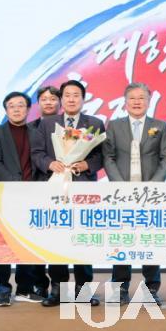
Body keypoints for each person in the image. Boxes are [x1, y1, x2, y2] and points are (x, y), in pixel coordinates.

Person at [31, 79, 105, 307]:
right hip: (55, 187)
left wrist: (87, 164)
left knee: (82, 238)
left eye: (76, 95)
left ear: (83, 99)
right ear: (61, 100)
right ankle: (58, 289)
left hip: (83, 188)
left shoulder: (94, 124)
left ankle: (84, 290)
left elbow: (101, 155)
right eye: (67, 95)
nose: (71, 99)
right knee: (56, 238)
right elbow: (37, 153)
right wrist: (50, 163)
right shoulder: (47, 124)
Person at [103, 82, 166, 306]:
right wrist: (120, 186)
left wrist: (153, 185)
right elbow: (108, 157)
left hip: (150, 196)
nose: (136, 102)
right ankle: (120, 288)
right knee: (121, 241)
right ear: (125, 102)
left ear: (149, 102)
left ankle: (151, 289)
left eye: (141, 98)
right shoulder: (114, 126)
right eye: (132, 98)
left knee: (150, 241)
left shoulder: (160, 126)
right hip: (121, 194)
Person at [0, 92, 44, 306]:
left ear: (28, 109)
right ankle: (3, 289)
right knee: (2, 245)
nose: (17, 109)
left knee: (26, 244)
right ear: (6, 109)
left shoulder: (36, 133)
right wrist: (16, 184)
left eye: (21, 105)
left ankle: (24, 288)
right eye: (12, 106)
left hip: (31, 196)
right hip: (5, 194)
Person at [28, 85, 61, 297]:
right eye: (44, 99)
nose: (48, 102)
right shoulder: (29, 127)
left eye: (53, 98)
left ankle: (66, 286)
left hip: (66, 188)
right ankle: (40, 284)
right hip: (38, 186)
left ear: (60, 102)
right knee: (38, 239)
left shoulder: (69, 125)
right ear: (38, 103)